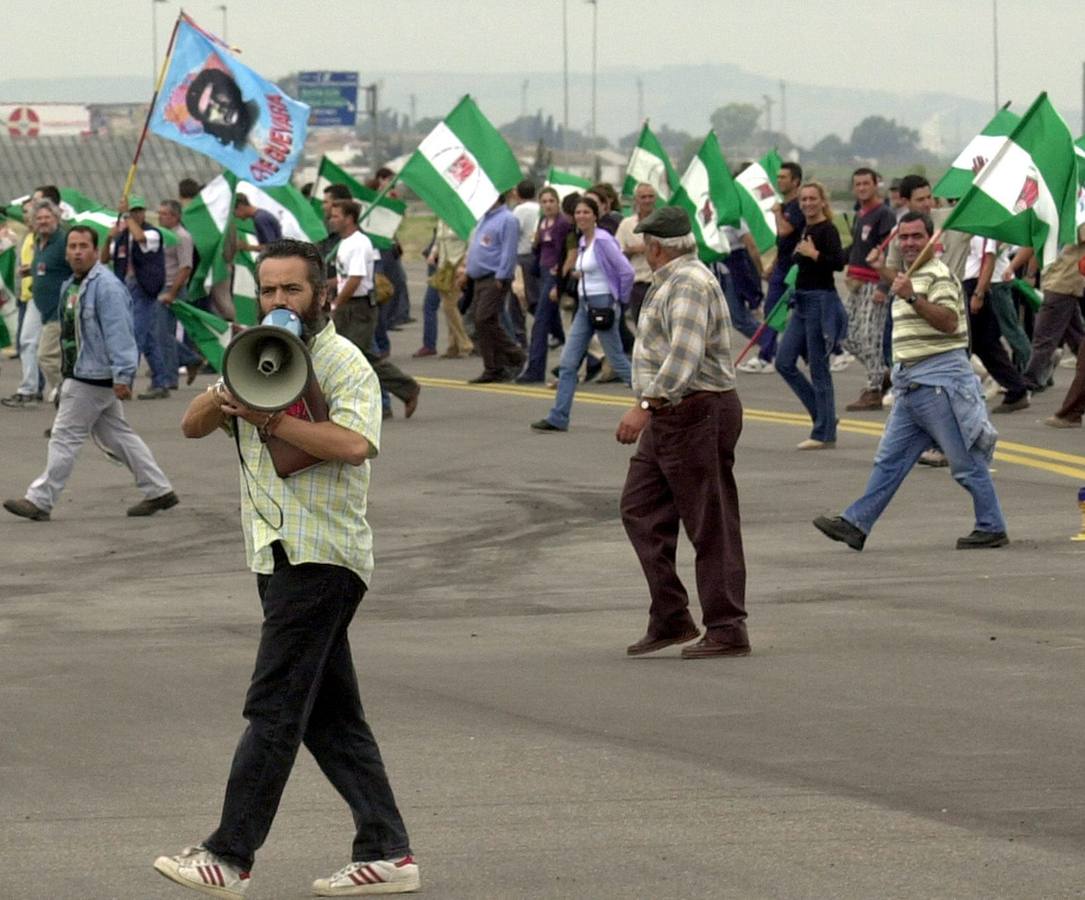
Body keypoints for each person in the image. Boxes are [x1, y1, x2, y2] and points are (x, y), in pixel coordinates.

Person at [161, 239, 417, 898]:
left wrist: (273, 419)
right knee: (330, 718)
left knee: (273, 708)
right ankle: (387, 851)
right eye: (268, 291)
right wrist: (228, 395)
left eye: (291, 291)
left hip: (323, 555)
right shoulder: (255, 356)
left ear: (324, 292)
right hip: (276, 553)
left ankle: (229, 855)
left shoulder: (341, 363)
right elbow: (190, 427)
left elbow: (355, 444)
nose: (277, 302)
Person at [813, 212, 1008, 551]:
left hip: (939, 384)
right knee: (889, 461)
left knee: (964, 461)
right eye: (903, 237)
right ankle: (856, 524)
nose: (908, 243)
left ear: (933, 241)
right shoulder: (912, 275)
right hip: (911, 387)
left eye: (917, 237)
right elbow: (905, 289)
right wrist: (884, 273)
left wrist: (911, 297)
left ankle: (992, 525)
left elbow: (948, 322)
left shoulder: (939, 276)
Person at [615, 206, 748, 659]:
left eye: (642, 243)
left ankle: (727, 626)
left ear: (655, 247)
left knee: (710, 523)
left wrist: (644, 406)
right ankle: (671, 616)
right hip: (675, 413)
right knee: (639, 508)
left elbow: (683, 358)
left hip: (696, 411)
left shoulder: (688, 283)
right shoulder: (670, 281)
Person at [3, 226, 178, 522]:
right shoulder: (72, 284)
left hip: (92, 377)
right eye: (71, 247)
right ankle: (159, 490)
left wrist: (124, 375)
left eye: (83, 246)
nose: (76, 252)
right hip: (82, 371)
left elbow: (120, 333)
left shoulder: (106, 287)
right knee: (119, 436)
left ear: (95, 251)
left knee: (64, 436)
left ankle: (40, 500)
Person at [531, 196, 633, 432]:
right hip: (586, 305)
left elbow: (626, 272)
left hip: (603, 304)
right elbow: (593, 269)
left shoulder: (603, 240)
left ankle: (655, 405)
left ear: (595, 216)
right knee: (568, 363)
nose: (582, 216)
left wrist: (619, 301)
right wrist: (579, 275)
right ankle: (558, 416)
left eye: (587, 212)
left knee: (617, 360)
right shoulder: (584, 241)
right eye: (578, 213)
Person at [328, 200, 420, 418]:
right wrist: (328, 284)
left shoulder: (359, 243)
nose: (332, 220)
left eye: (336, 216)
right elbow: (345, 277)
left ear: (349, 218)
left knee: (361, 358)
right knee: (347, 357)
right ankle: (377, 402)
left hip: (357, 308)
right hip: (348, 305)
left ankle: (406, 389)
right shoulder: (345, 243)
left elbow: (356, 278)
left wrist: (337, 303)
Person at [775, 182, 847, 449]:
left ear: (822, 201)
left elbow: (838, 262)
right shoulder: (805, 228)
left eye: (812, 199)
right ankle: (824, 416)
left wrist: (813, 254)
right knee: (784, 361)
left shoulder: (827, 229)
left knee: (819, 367)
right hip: (801, 301)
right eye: (803, 199)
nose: (807, 203)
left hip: (820, 299)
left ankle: (824, 434)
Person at [101, 195, 171, 399]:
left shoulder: (153, 233)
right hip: (125, 288)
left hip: (144, 288)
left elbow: (141, 238)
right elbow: (105, 258)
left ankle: (125, 383)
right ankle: (161, 380)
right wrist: (108, 238)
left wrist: (126, 215)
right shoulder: (122, 236)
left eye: (138, 210)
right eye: (133, 211)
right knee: (147, 337)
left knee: (134, 336)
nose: (136, 214)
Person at [739, 161, 804, 374]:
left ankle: (834, 351)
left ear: (796, 181)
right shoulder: (784, 206)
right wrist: (773, 264)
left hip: (797, 270)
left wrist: (776, 213)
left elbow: (786, 231)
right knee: (772, 310)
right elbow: (781, 243)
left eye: (784, 177)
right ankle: (766, 355)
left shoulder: (797, 207)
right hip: (782, 266)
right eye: (778, 177)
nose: (779, 181)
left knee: (800, 314)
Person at [840, 168, 896, 411]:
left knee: (869, 336)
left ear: (876, 185)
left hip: (874, 283)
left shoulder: (884, 215)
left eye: (866, 183)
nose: (862, 188)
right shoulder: (861, 214)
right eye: (858, 184)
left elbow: (890, 252)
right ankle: (882, 373)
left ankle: (873, 389)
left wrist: (884, 285)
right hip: (856, 283)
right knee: (844, 334)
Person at [4, 199, 68, 408]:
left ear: (56, 218)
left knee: (47, 355)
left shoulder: (63, 242)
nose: (42, 221)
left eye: (47, 217)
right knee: (29, 344)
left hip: (58, 309)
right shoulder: (40, 242)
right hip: (38, 304)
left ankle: (67, 394)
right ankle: (53, 393)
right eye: (38, 218)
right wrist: (30, 270)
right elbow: (45, 267)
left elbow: (76, 268)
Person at [961, 236, 1030, 413]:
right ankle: (1016, 387)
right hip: (967, 284)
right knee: (984, 345)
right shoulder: (965, 226)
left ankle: (1017, 387)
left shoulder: (983, 231)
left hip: (976, 286)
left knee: (979, 344)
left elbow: (988, 259)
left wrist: (979, 293)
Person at [466, 193, 525, 383]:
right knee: (484, 322)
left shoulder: (507, 219)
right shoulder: (484, 218)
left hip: (494, 277)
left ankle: (516, 354)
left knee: (483, 319)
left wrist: (503, 275)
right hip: (479, 278)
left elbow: (509, 250)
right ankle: (493, 367)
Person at [518, 187, 570, 382]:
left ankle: (535, 369)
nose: (548, 205)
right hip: (541, 272)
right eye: (544, 201)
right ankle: (588, 358)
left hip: (553, 274)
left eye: (551, 201)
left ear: (558, 203)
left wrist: (559, 278)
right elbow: (539, 249)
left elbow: (563, 251)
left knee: (540, 322)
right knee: (553, 322)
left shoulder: (561, 224)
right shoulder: (542, 222)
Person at [157, 199, 204, 387]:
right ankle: (189, 359)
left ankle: (171, 376)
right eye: (159, 213)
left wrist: (172, 293)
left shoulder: (182, 237)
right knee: (162, 334)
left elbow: (185, 267)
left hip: (172, 288)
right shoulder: (162, 235)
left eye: (164, 214)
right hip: (160, 287)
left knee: (162, 334)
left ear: (175, 216)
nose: (160, 217)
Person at [428, 219, 473, 358]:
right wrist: (433, 253)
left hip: (457, 262)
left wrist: (464, 265)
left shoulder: (462, 218)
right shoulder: (442, 219)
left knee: (449, 305)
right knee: (449, 305)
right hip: (444, 264)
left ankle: (465, 343)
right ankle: (453, 345)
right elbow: (438, 240)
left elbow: (471, 243)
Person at [615, 182, 658, 323]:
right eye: (643, 197)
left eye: (650, 196)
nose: (647, 200)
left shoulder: (663, 222)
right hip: (637, 284)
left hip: (660, 283)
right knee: (641, 327)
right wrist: (634, 250)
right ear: (636, 200)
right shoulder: (626, 224)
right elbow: (616, 254)